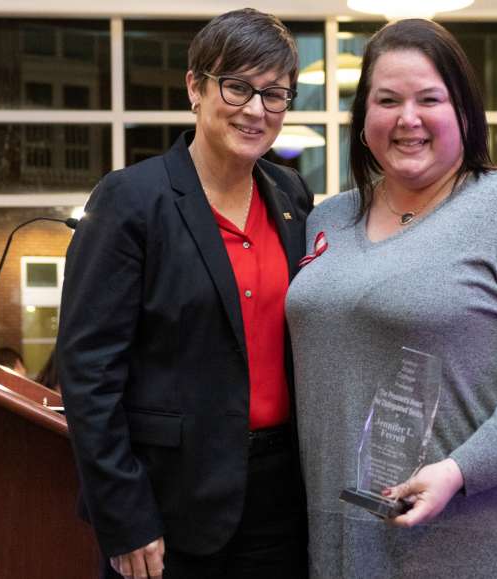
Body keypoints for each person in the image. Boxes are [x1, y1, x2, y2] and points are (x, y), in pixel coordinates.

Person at [284, 18, 497, 579]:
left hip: (482, 541)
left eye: (429, 99)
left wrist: (460, 469)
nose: (408, 118)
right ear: (364, 121)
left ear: (464, 113)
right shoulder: (328, 218)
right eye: (387, 100)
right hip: (344, 540)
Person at [57, 9, 312, 579]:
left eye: (275, 94)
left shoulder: (292, 194)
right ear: (195, 87)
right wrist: (124, 516)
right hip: (168, 500)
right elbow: (88, 373)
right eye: (238, 86)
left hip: (279, 499)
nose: (255, 110)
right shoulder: (131, 200)